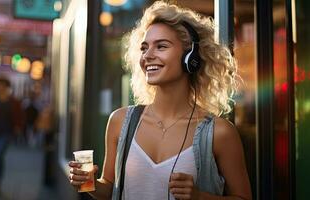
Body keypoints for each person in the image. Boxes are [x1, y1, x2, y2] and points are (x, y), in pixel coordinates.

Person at [69, 1, 252, 200]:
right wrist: (90, 184)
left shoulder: (220, 133)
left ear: (191, 58)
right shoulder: (121, 122)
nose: (147, 56)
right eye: (144, 48)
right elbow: (110, 189)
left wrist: (200, 197)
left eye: (161, 46)